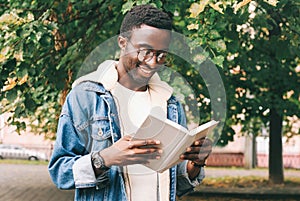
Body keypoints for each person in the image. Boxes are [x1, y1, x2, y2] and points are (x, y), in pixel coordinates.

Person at [48, 4, 212, 201]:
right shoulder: (85, 97)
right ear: (122, 42)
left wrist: (195, 164)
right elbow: (59, 172)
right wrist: (105, 158)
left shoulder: (171, 104)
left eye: (161, 55)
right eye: (145, 52)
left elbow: (176, 183)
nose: (153, 63)